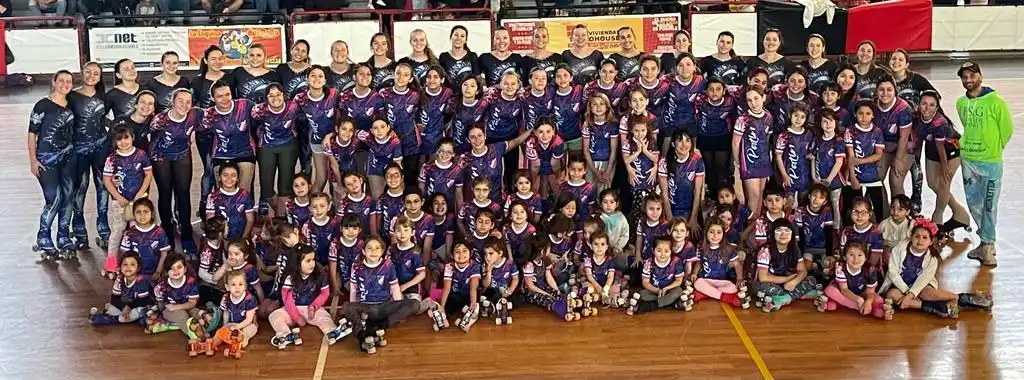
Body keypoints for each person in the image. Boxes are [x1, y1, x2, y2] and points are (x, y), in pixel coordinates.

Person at [955, 61, 1013, 267]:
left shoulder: (995, 101)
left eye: (972, 76)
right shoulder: (961, 103)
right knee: (974, 204)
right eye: (965, 77)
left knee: (989, 205)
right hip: (968, 159)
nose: (968, 80)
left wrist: (994, 148)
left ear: (980, 76)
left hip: (990, 162)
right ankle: (985, 241)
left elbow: (1006, 129)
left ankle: (988, 246)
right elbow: (966, 125)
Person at [28, 71, 76, 258]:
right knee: (54, 199)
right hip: (46, 160)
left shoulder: (71, 103)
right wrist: (33, 160)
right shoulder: (43, 105)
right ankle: (44, 237)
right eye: (61, 81)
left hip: (69, 158)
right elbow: (32, 132)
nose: (65, 84)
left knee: (69, 196)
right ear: (54, 83)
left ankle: (63, 236)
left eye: (69, 81)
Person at [101, 125, 153, 278]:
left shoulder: (142, 155)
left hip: (139, 202)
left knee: (137, 234)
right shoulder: (112, 159)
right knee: (117, 232)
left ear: (132, 138)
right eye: (119, 140)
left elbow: (148, 175)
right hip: (120, 202)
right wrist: (118, 197)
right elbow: (107, 180)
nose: (123, 142)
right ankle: (111, 265)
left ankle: (135, 265)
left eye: (126, 138)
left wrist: (140, 194)